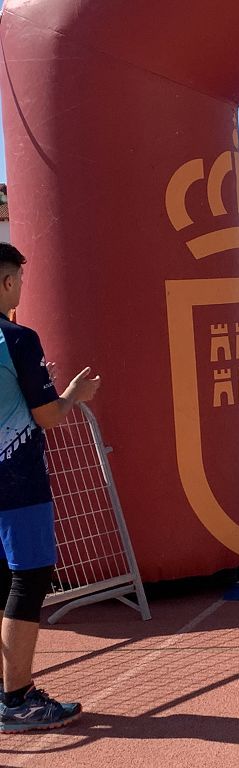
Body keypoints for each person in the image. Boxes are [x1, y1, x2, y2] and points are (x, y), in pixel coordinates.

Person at [0, 242, 100, 732]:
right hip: (16, 479)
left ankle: (12, 691)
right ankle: (16, 697)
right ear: (7, 282)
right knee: (30, 578)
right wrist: (74, 395)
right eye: (18, 278)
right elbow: (47, 416)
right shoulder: (17, 338)